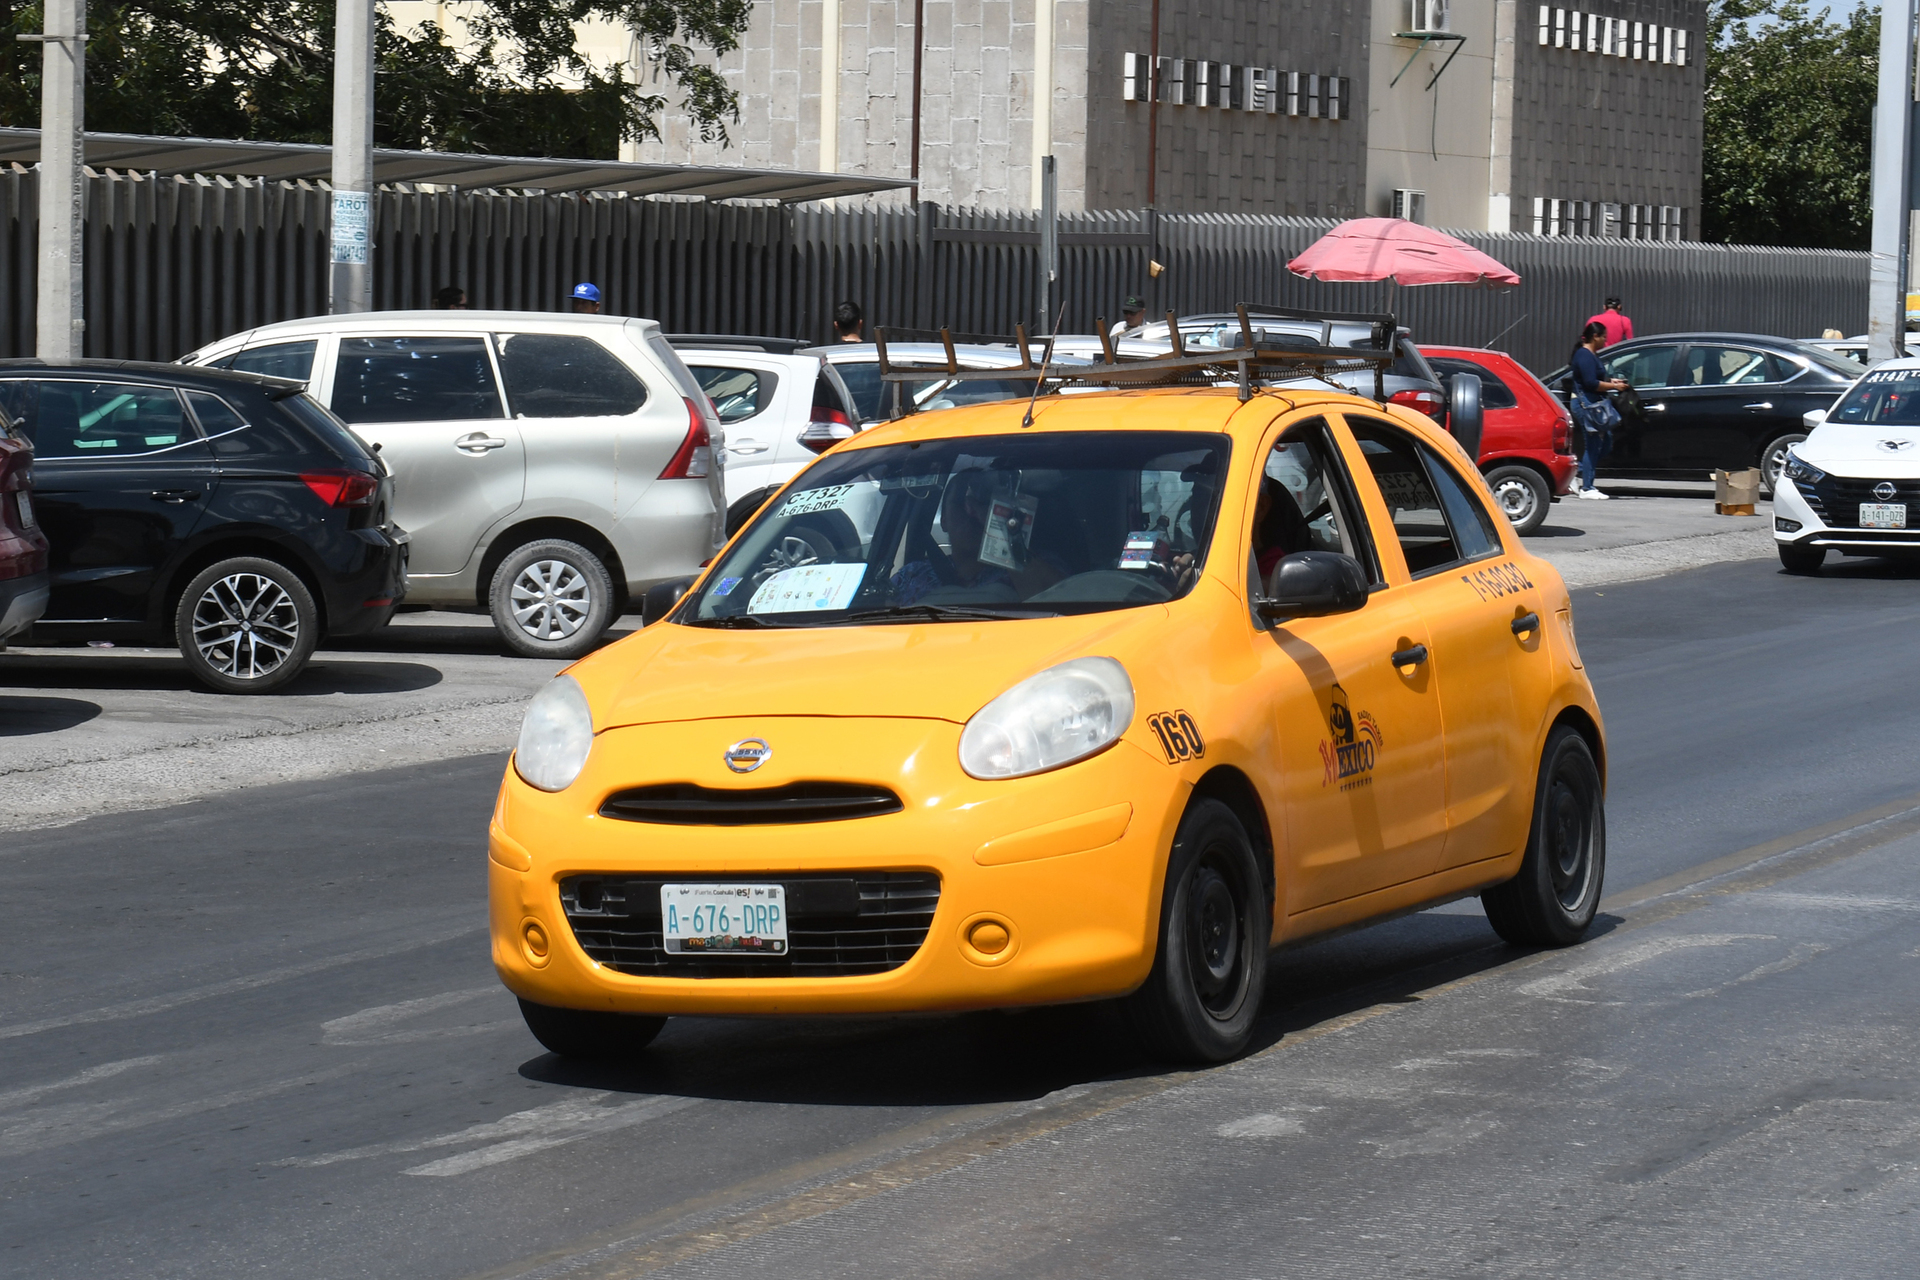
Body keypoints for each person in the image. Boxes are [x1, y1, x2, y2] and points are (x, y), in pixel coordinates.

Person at [1569, 320, 1627, 499]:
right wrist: (1613, 387)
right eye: (1604, 338)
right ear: (1595, 337)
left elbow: (1597, 377)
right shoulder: (1584, 355)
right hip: (1586, 405)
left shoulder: (1591, 354)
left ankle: (1574, 473)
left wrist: (1612, 381)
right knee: (1593, 443)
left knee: (1606, 442)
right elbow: (1591, 383)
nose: (1605, 341)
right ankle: (1587, 488)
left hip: (1594, 405)